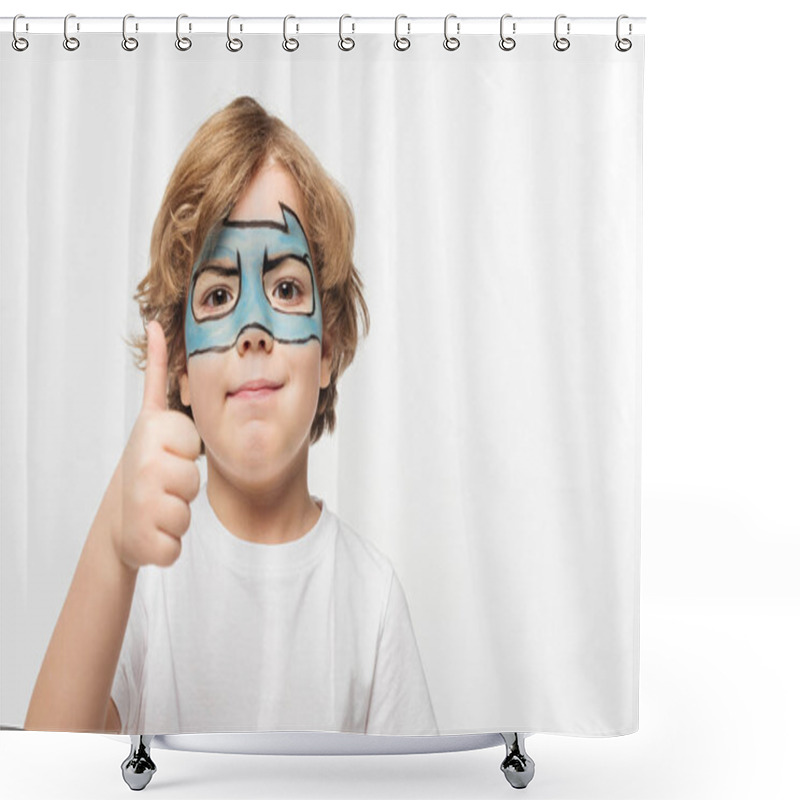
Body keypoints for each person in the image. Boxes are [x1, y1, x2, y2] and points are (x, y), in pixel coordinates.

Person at [24, 96, 438, 736]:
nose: (252, 329)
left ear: (327, 349)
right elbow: (47, 772)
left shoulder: (371, 601)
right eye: (218, 294)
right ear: (181, 366)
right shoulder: (140, 588)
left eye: (286, 288)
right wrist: (111, 544)